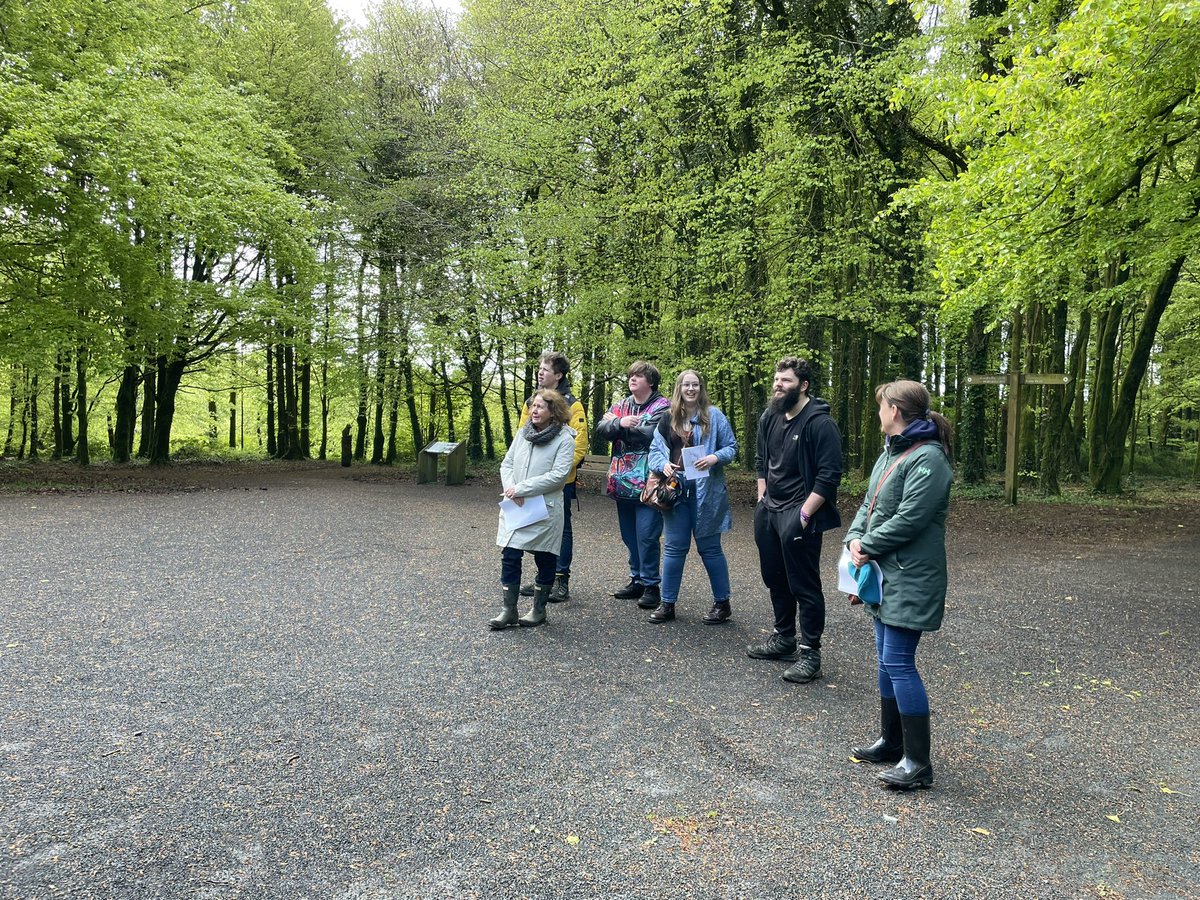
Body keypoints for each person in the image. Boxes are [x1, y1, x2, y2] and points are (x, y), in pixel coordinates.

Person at [846, 379, 954, 790]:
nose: (878, 412)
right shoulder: (891, 453)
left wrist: (867, 545)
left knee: (899, 663)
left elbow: (911, 518)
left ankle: (918, 763)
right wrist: (855, 539)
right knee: (884, 660)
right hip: (885, 573)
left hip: (910, 576)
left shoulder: (929, 460)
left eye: (881, 406)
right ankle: (893, 743)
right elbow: (867, 504)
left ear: (896, 410)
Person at [748, 356, 843, 684]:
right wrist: (762, 498)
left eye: (785, 381)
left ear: (803, 386)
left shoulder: (819, 423)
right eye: (776, 379)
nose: (778, 385)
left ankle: (810, 653)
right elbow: (761, 458)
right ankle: (783, 638)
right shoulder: (769, 416)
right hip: (770, 510)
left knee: (804, 583)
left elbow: (829, 477)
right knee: (774, 577)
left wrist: (803, 515)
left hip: (800, 512)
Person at [646, 370, 738, 624]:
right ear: (679, 388)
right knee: (675, 548)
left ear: (701, 388)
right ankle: (667, 604)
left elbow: (732, 447)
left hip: (706, 493)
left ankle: (722, 603)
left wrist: (715, 457)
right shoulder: (668, 418)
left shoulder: (714, 416)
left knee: (710, 549)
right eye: (686, 384)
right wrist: (663, 463)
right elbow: (654, 451)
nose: (691, 389)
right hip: (676, 492)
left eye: (695, 384)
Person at [489, 390, 577, 630]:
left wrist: (522, 488)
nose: (534, 410)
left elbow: (558, 477)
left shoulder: (564, 439)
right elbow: (506, 464)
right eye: (533, 406)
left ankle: (538, 610)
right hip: (516, 503)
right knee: (510, 555)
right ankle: (509, 610)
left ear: (553, 412)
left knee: (545, 557)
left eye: (540, 406)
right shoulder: (522, 434)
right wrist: (510, 488)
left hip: (544, 508)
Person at [594, 361, 672, 609]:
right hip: (620, 482)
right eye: (631, 376)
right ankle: (636, 579)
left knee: (647, 535)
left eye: (638, 376)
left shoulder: (663, 406)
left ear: (650, 381)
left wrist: (617, 426)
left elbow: (653, 434)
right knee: (629, 536)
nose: (632, 379)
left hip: (649, 482)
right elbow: (601, 428)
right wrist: (620, 423)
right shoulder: (622, 404)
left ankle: (651, 585)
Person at [516, 352, 589, 603]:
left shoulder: (573, 404)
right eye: (539, 368)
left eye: (546, 369)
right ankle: (542, 578)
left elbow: (579, 444)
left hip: (560, 482)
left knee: (562, 528)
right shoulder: (530, 402)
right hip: (532, 479)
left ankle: (560, 580)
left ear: (558, 375)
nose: (540, 373)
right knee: (535, 526)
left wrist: (558, 472)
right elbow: (520, 439)